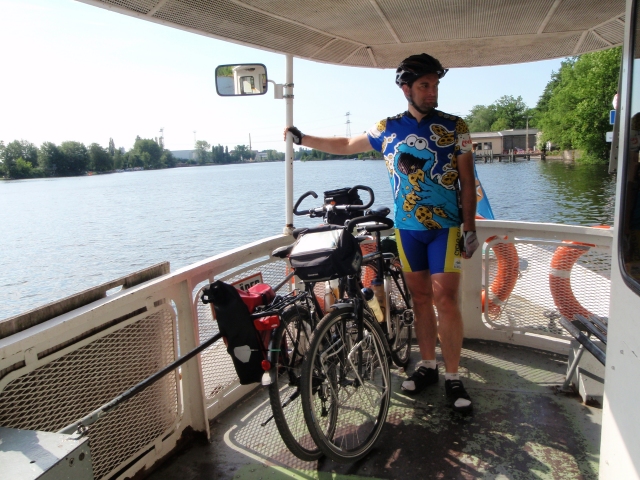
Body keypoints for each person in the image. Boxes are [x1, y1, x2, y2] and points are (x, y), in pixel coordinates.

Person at [284, 53, 480, 413]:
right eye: (424, 85)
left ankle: (453, 376)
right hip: (408, 230)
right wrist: (303, 138)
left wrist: (470, 228)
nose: (432, 92)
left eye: (435, 85)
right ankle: (428, 366)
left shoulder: (456, 127)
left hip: (446, 229)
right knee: (420, 299)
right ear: (406, 88)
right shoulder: (387, 127)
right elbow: (345, 145)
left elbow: (467, 182)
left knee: (445, 300)